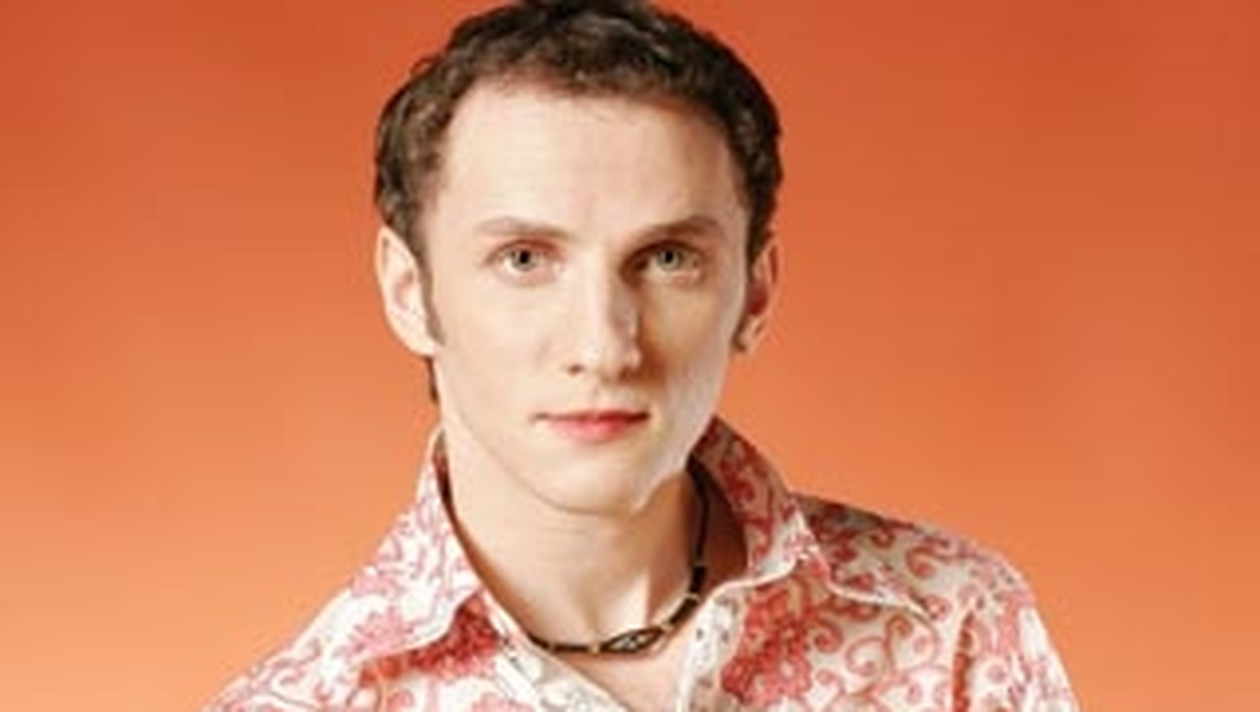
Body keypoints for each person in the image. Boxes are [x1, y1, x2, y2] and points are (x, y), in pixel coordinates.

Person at [207, 1, 1078, 709]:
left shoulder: (953, 628)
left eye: (667, 259)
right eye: (525, 259)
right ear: (410, 291)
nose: (604, 345)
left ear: (755, 293)